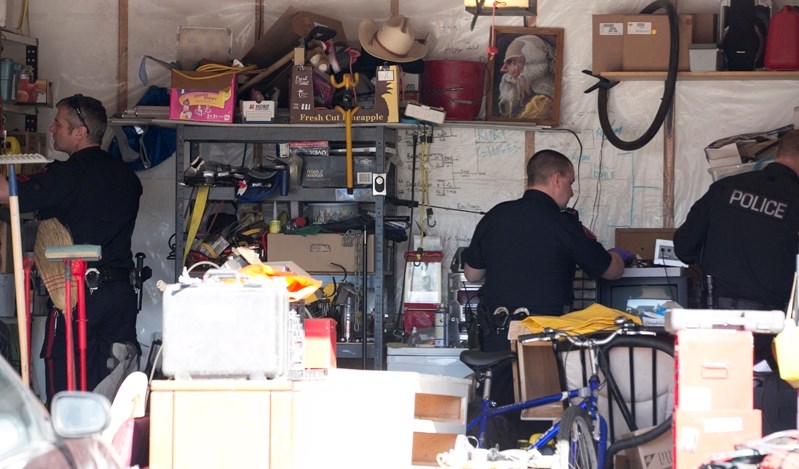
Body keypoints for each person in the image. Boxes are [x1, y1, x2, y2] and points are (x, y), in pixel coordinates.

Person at [0, 94, 143, 403]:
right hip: (121, 295)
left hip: (77, 294)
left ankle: (72, 448)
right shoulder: (128, 178)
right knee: (116, 385)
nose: (52, 129)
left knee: (68, 387)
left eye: (59, 123)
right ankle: (112, 449)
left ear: (80, 133)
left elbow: (6, 193)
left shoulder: (67, 175)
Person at [463, 149, 628, 406]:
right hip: (546, 339)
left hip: (497, 335)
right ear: (556, 179)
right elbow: (610, 270)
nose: (572, 192)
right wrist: (620, 254)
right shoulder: (564, 224)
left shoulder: (495, 215)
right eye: (571, 183)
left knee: (499, 411)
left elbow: (472, 274)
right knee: (544, 413)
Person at [674, 128, 799, 369]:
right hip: (776, 329)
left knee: (720, 392)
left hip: (717, 322)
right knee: (771, 399)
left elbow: (684, 246)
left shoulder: (725, 188)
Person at [497, 35, 556, 120]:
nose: (503, 69)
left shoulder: (540, 104)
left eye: (512, 62)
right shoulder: (534, 101)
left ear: (532, 61)